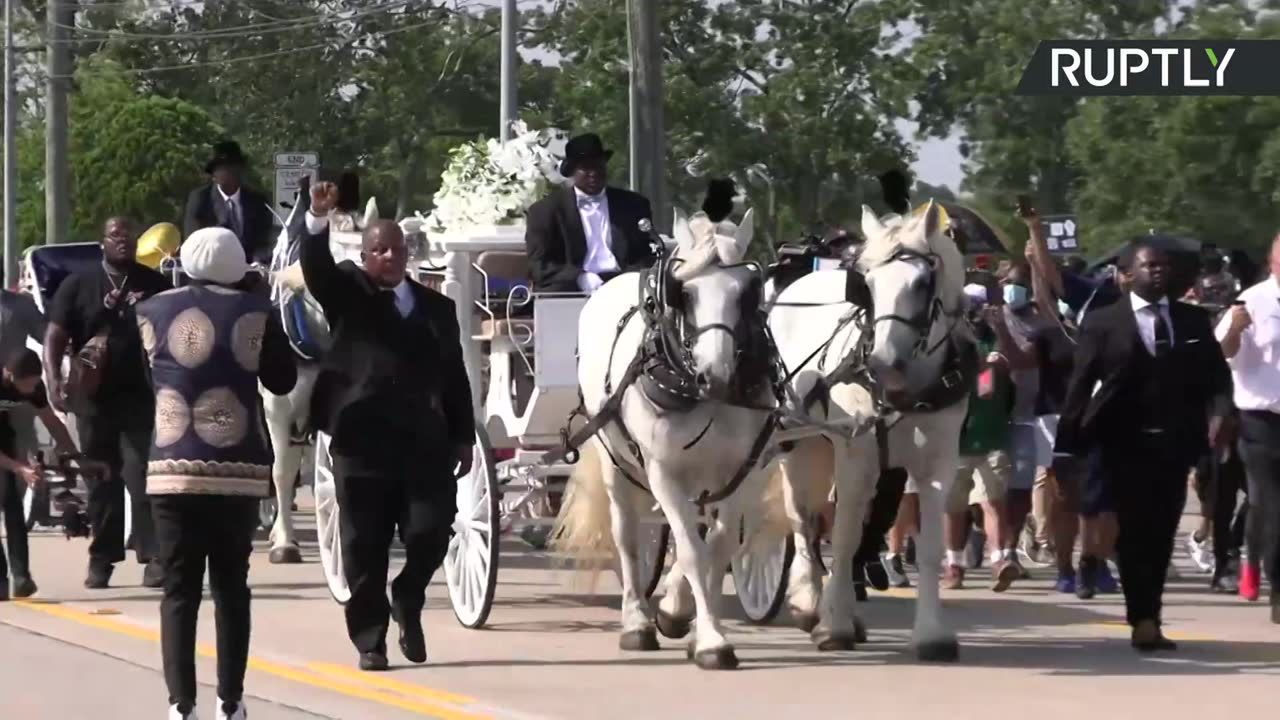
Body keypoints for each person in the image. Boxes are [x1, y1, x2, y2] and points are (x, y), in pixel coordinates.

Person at [299, 180, 475, 670]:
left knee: (432, 531)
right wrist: (315, 219)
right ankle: (370, 639)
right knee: (364, 546)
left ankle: (408, 596)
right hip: (361, 443)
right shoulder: (347, 292)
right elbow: (315, 269)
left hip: (424, 442)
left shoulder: (436, 309)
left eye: (396, 249)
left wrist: (463, 435)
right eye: (378, 249)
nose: (388, 257)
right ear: (365, 253)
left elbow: (454, 375)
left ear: (407, 254)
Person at [135, 227, 296, 720]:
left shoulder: (148, 311)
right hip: (236, 471)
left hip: (170, 468)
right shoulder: (257, 314)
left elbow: (148, 379)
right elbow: (282, 379)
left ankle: (181, 704)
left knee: (179, 590)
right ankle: (231, 700)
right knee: (231, 588)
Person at [1057, 241, 1232, 650]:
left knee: (1162, 531)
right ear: (1126, 273)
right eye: (1149, 265)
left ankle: (1148, 609)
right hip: (1120, 441)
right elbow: (1080, 388)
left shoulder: (1191, 320)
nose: (1159, 272)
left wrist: (1220, 414)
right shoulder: (1102, 323)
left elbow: (1217, 378)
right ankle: (1144, 617)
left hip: (1175, 442)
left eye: (1164, 266)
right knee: (1134, 531)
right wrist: (1066, 448)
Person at [44, 217, 173, 589]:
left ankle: (153, 557)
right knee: (102, 482)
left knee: (143, 477)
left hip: (140, 396)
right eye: (116, 235)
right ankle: (102, 559)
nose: (124, 241)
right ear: (102, 242)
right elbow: (55, 334)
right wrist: (53, 378)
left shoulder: (154, 284)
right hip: (92, 399)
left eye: (129, 236)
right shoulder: (79, 284)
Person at [941, 284, 1024, 592]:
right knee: (954, 507)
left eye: (978, 307)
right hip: (955, 439)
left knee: (993, 501)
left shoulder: (994, 338)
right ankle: (953, 564)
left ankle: (999, 560)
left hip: (992, 436)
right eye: (969, 306)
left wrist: (1000, 326)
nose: (973, 313)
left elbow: (1001, 368)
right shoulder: (946, 341)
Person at [1216, 234, 1280, 621]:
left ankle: (1255, 559)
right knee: (1269, 505)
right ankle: (1272, 579)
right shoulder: (1251, 300)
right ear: (1273, 262)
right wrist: (1236, 330)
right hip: (1260, 422)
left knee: (1267, 510)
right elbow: (1220, 353)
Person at [524, 133, 657, 294]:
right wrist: (580, 278)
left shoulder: (634, 205)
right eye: (586, 167)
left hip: (623, 286)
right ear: (573, 171)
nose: (593, 173)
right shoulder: (544, 211)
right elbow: (539, 265)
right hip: (571, 290)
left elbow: (647, 255)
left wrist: (626, 279)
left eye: (598, 165)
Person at [0, 350, 83, 600]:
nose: (32, 389)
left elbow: (52, 422)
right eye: (27, 384)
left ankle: (22, 577)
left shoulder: (33, 388)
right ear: (10, 375)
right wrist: (19, 468)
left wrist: (74, 455)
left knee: (13, 508)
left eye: (36, 383)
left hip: (5, 438)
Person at [183, 141, 276, 265]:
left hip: (250, 274)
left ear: (240, 169)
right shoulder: (201, 199)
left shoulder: (257, 201)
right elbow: (193, 242)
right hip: (211, 272)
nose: (226, 172)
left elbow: (265, 240)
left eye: (231, 166)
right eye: (220, 168)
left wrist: (257, 261)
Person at [0, 287, 48, 504]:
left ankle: (17, 505)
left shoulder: (22, 305)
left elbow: (47, 336)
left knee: (22, 455)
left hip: (18, 388)